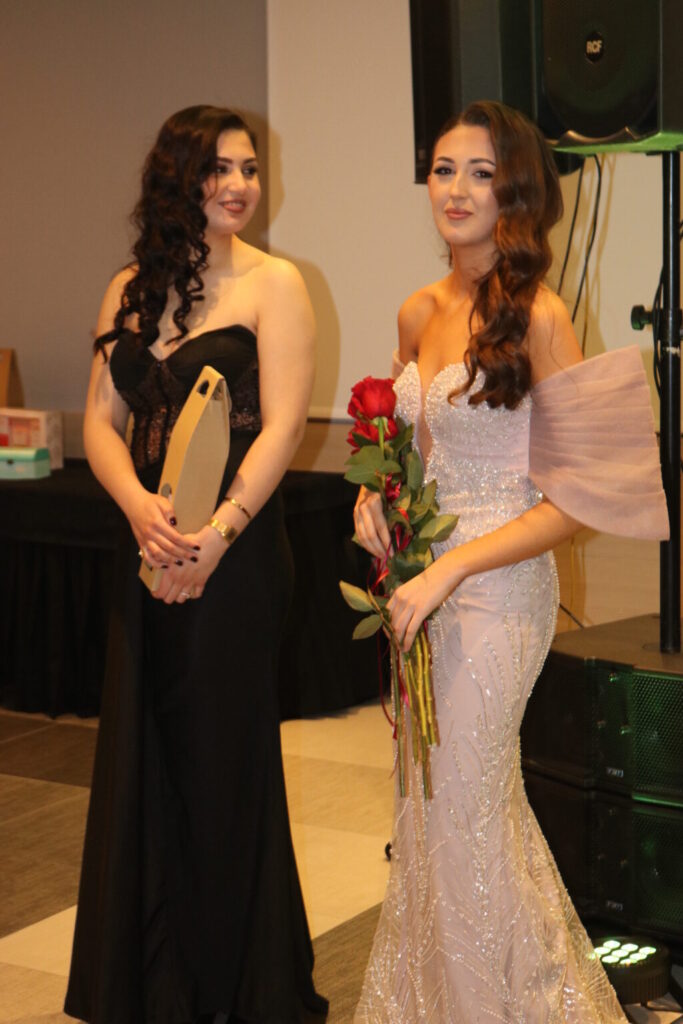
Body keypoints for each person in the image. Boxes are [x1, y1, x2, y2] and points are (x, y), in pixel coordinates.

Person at [352, 101, 668, 1023]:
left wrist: (452, 569)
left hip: (496, 594)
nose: (454, 190)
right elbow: (405, 451)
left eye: (480, 174)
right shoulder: (418, 309)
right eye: (443, 169)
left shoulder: (539, 315)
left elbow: (573, 503)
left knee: (464, 811)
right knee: (430, 817)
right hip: (417, 588)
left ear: (516, 191)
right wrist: (376, 503)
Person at [64, 105, 328, 1024]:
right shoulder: (128, 288)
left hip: (237, 558)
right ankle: (151, 985)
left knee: (221, 766)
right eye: (219, 168)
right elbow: (100, 423)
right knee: (144, 757)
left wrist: (215, 537)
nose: (240, 185)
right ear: (179, 179)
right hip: (145, 547)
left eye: (249, 167)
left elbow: (282, 429)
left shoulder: (275, 284)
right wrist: (140, 510)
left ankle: (231, 990)